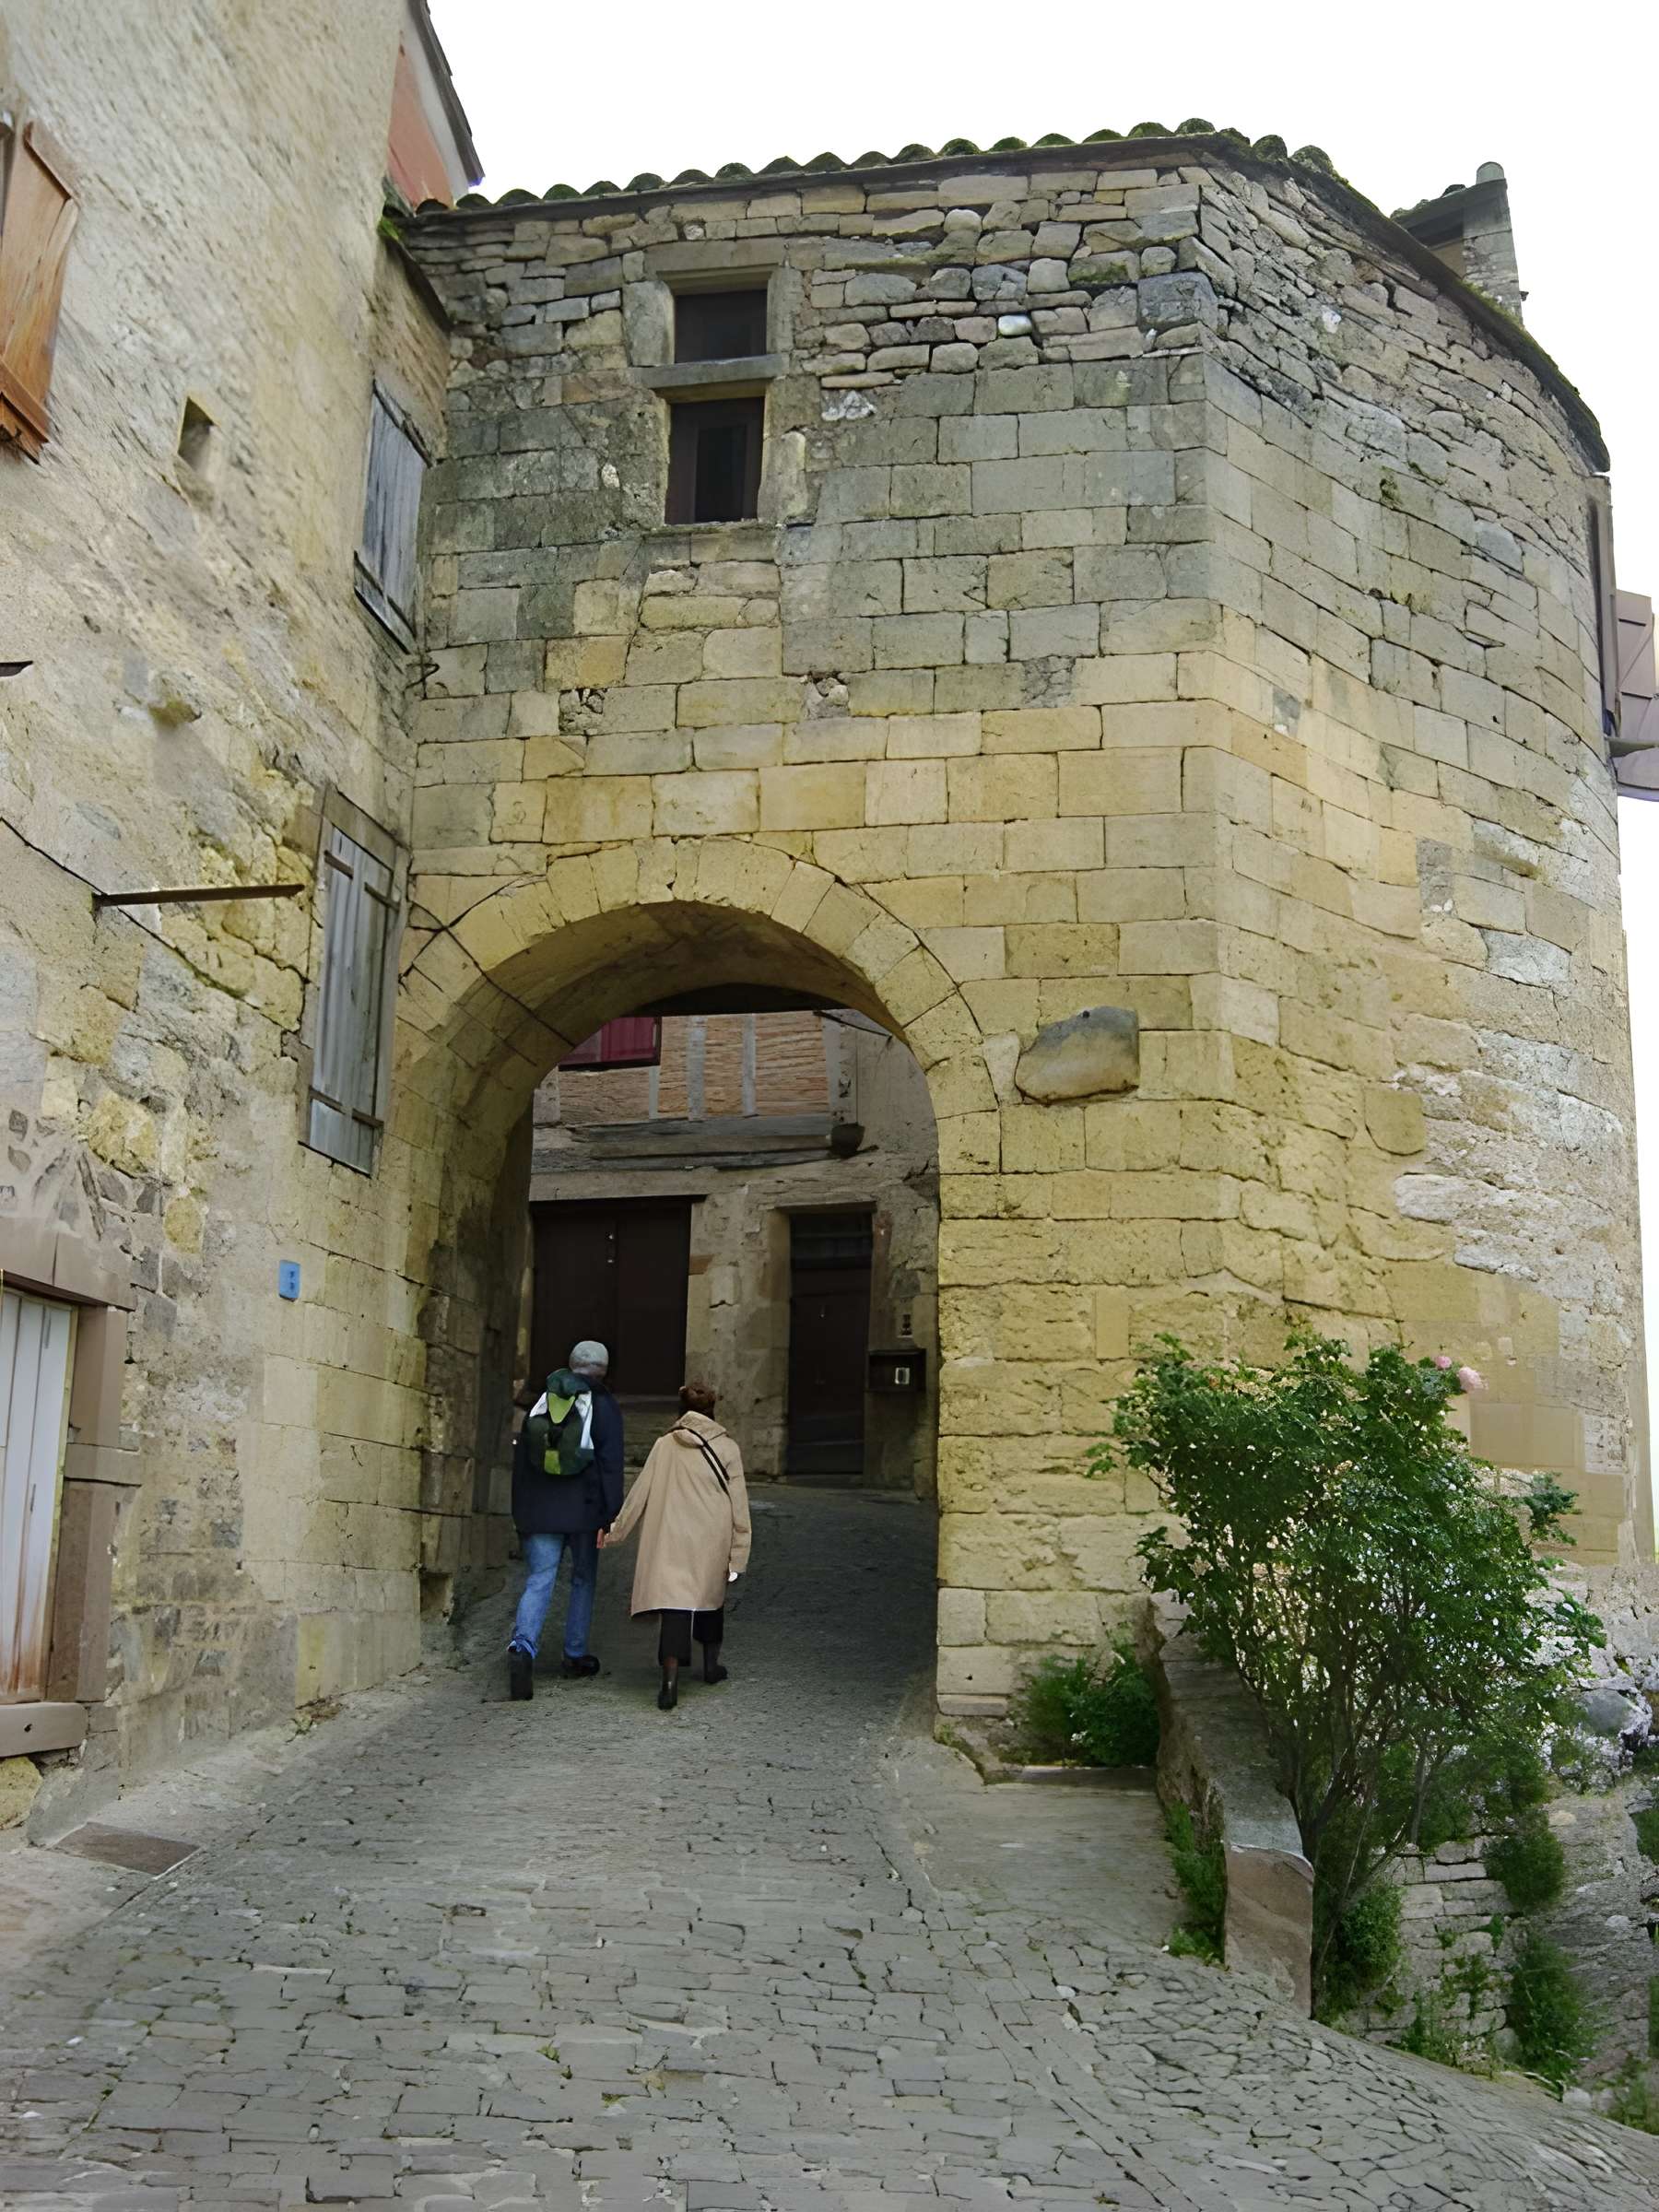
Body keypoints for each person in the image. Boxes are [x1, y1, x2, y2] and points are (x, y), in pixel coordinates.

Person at [600, 1382, 751, 1710]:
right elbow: (740, 1508)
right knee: (710, 1602)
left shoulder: (664, 1445)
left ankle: (669, 1682)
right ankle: (710, 1667)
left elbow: (640, 1493)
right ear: (713, 1412)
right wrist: (738, 1556)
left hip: (671, 1536)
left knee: (675, 1607)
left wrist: (615, 1532)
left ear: (681, 1412)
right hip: (711, 1537)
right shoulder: (727, 1449)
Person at [506, 1339, 623, 1701]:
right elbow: (610, 1465)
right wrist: (610, 1514)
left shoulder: (542, 1402)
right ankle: (574, 1655)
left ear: (570, 1364)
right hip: (585, 1511)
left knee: (540, 1579)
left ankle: (523, 1647)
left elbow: (523, 1464)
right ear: (603, 1370)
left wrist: (521, 1513)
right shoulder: (604, 1406)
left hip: (540, 1509)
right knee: (583, 1580)